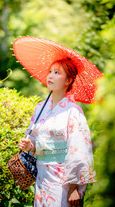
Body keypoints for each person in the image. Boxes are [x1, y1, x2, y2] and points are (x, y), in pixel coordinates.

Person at [18, 58, 96, 207]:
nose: (50, 76)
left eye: (57, 73)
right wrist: (30, 146)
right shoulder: (40, 107)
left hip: (63, 178)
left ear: (69, 80)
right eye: (50, 72)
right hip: (42, 174)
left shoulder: (73, 111)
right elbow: (36, 141)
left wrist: (74, 187)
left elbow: (78, 149)